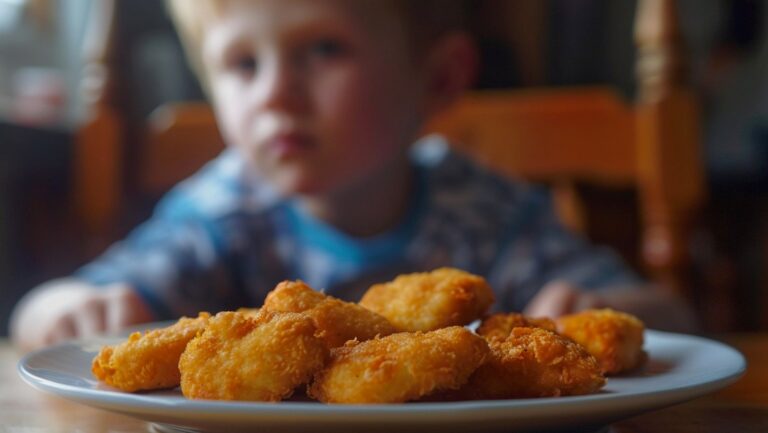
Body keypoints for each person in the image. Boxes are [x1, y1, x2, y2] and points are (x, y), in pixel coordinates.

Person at [10, 0, 697, 352]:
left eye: (323, 50)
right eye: (243, 65)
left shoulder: (483, 210)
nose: (275, 94)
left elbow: (658, 314)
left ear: (437, 79)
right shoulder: (222, 212)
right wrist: (65, 305)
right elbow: (81, 302)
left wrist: (611, 311)